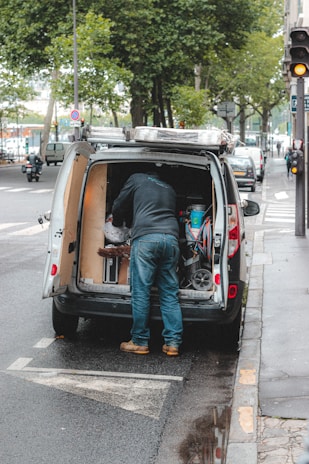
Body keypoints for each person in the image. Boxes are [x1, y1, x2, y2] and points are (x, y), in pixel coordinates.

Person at [111, 172, 183, 356]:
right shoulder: (170, 189)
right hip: (171, 239)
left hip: (146, 239)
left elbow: (119, 205)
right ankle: (173, 343)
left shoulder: (136, 179)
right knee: (169, 292)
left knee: (141, 291)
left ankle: (140, 341)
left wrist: (118, 223)